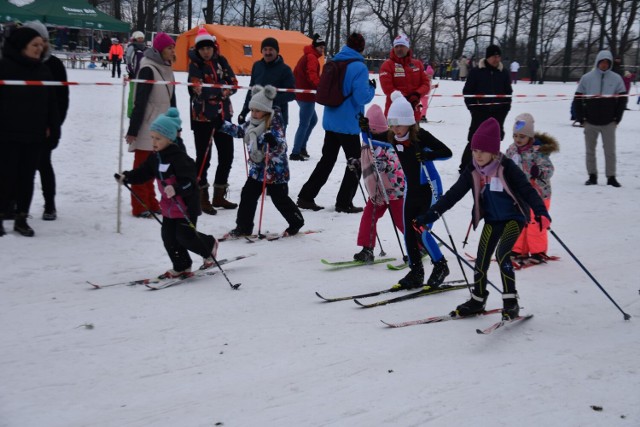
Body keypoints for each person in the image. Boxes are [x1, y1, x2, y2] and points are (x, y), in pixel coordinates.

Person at [416, 117, 551, 320]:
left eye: (482, 151)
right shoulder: (473, 170)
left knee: (503, 254)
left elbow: (527, 189)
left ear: (494, 151)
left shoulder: (506, 167)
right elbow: (453, 195)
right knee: (482, 260)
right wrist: (430, 214)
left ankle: (511, 302)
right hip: (491, 219)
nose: (478, 155)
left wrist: (540, 211)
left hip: (514, 218)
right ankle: (478, 299)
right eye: (475, 150)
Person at [116, 108, 219, 277]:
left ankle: (209, 246)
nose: (154, 142)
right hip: (169, 207)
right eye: (152, 138)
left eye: (158, 138)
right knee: (169, 237)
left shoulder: (179, 158)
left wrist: (178, 188)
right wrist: (127, 177)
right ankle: (182, 266)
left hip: (186, 206)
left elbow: (191, 183)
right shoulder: (155, 158)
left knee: (185, 236)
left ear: (170, 138)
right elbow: (143, 173)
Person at [377, 91, 452, 289]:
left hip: (430, 189)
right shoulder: (393, 136)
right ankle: (416, 271)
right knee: (409, 233)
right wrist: (364, 130)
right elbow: (374, 140)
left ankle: (440, 266)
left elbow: (447, 153)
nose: (395, 129)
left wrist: (428, 156)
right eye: (392, 125)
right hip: (411, 190)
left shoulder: (421, 136)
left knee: (423, 232)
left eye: (398, 125)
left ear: (409, 122)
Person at [297, 33, 375, 213]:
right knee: (356, 162)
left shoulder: (333, 61)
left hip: (331, 120)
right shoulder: (359, 67)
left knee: (327, 160)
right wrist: (371, 88)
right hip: (348, 123)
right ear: (361, 48)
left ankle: (306, 196)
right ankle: (344, 202)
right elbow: (361, 97)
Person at [219, 85, 304, 238]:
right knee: (247, 196)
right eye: (252, 110)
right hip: (258, 171)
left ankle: (296, 221)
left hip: (276, 172)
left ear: (266, 110)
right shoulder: (252, 122)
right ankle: (243, 227)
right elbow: (240, 131)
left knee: (280, 200)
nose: (253, 113)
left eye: (257, 110)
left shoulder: (275, 123)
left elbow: (282, 147)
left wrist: (273, 142)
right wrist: (221, 125)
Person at [0, 27, 60, 237]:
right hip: (7, 136)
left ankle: (22, 217)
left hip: (34, 136)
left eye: (41, 46)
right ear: (22, 45)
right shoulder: (4, 67)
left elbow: (51, 104)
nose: (39, 49)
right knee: (5, 177)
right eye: (34, 45)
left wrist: (54, 130)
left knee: (27, 178)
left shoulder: (42, 70)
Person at [187, 27, 239, 216]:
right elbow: (198, 89)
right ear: (198, 50)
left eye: (208, 48)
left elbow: (233, 83)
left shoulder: (222, 61)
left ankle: (219, 194)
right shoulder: (195, 65)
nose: (206, 52)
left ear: (214, 48)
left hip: (223, 116)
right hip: (203, 118)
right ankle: (202, 197)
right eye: (202, 49)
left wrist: (220, 91)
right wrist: (220, 91)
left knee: (227, 155)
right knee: (203, 159)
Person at [126, 32, 176, 217]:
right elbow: (140, 101)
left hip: (162, 127)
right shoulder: (148, 69)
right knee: (141, 168)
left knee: (155, 168)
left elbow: (172, 100)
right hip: (147, 125)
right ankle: (139, 206)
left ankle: (152, 202)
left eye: (173, 48)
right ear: (160, 50)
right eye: (169, 48)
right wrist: (133, 130)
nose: (172, 51)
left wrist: (175, 125)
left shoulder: (167, 68)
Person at [25, 21, 69, 221]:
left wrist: (55, 125)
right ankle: (17, 205)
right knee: (21, 166)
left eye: (40, 41)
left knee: (43, 164)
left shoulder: (54, 65)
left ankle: (49, 205)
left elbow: (62, 99)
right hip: (22, 126)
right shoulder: (18, 64)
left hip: (47, 127)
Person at [353, 104, 405, 262]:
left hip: (395, 191)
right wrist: (356, 163)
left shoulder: (389, 145)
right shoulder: (367, 143)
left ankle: (420, 243)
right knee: (369, 216)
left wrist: (386, 166)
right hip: (377, 191)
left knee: (401, 220)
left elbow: (398, 167)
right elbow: (365, 160)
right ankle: (367, 248)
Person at [505, 113, 559, 262]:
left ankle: (538, 252)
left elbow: (549, 169)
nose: (517, 139)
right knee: (519, 221)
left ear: (529, 136)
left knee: (536, 223)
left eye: (522, 136)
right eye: (515, 136)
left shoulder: (538, 151)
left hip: (538, 194)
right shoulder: (511, 150)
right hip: (519, 194)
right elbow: (506, 165)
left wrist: (539, 171)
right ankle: (517, 250)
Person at [572, 50, 627, 187]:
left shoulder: (616, 78)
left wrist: (617, 118)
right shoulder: (587, 78)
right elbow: (577, 98)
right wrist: (581, 118)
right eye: (602, 62)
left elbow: (622, 99)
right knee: (590, 150)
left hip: (609, 122)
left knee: (610, 151)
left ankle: (611, 177)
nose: (604, 64)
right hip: (590, 121)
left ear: (610, 63)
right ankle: (592, 176)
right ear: (597, 62)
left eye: (607, 62)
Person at [460, 44, 512, 173]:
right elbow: (468, 92)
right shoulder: (477, 72)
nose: (496, 59)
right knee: (474, 140)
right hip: (480, 113)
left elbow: (508, 95)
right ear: (488, 57)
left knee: (495, 139)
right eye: (494, 56)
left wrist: (504, 110)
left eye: (498, 56)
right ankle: (465, 167)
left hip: (498, 113)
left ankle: (491, 165)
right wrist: (474, 109)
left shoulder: (503, 73)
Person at [238, 37, 295, 128]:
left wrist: (270, 100)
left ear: (277, 51)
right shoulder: (257, 66)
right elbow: (251, 89)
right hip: (257, 117)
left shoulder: (285, 69)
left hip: (277, 118)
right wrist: (244, 111)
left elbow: (292, 94)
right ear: (261, 51)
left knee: (274, 142)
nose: (268, 53)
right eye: (265, 49)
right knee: (254, 141)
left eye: (271, 50)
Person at [379, 34, 430, 124]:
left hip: (413, 114)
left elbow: (426, 84)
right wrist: (405, 100)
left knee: (415, 137)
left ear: (407, 47)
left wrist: (417, 94)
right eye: (396, 46)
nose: (399, 49)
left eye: (402, 46)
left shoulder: (417, 64)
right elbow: (388, 88)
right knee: (393, 138)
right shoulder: (387, 65)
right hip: (394, 114)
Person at [291, 33, 325, 161]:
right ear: (314, 47)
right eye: (320, 47)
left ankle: (302, 147)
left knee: (312, 120)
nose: (322, 50)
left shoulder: (308, 56)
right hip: (306, 95)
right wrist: (320, 87)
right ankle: (296, 151)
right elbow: (312, 76)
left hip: (302, 93)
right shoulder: (311, 57)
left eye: (323, 47)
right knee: (304, 123)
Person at [124, 30, 147, 117]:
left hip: (142, 74)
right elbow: (128, 59)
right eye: (139, 38)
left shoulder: (144, 48)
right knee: (132, 94)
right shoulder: (132, 47)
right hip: (134, 74)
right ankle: (130, 112)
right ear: (135, 38)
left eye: (142, 38)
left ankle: (140, 111)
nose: (140, 39)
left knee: (141, 94)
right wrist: (130, 71)